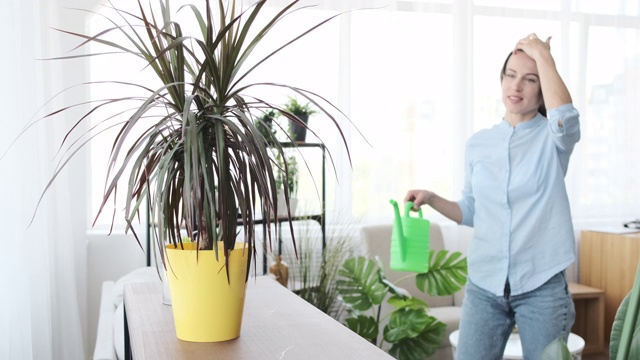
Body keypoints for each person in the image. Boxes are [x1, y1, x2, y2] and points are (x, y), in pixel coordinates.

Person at [404, 33, 580, 360]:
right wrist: (432, 198)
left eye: (530, 80)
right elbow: (471, 209)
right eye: (510, 76)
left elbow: (566, 117)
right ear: (501, 80)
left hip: (541, 285)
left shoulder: (554, 139)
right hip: (485, 286)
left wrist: (543, 55)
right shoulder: (478, 144)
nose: (516, 86)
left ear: (542, 90)